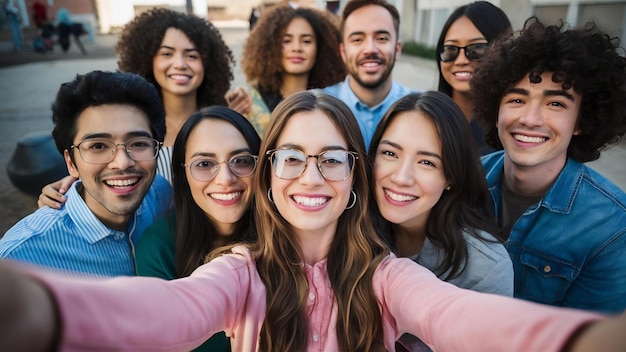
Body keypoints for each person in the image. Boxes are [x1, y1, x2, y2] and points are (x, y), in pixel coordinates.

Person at [2, 90, 625, 352]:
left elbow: (455, 315)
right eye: (293, 157)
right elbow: (170, 310)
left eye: (332, 158)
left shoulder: (389, 275)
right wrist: (47, 310)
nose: (311, 176)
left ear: (355, 176)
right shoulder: (239, 272)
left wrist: (576, 340)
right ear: (269, 174)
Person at [471, 18, 626, 313]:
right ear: (496, 109)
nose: (531, 118)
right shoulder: (463, 179)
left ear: (581, 121)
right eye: (517, 99)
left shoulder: (613, 228)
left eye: (556, 104)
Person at [38, 8, 248, 208]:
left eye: (191, 55)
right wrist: (76, 183)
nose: (180, 63)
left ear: (208, 64)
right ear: (148, 60)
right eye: (167, 54)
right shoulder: (131, 124)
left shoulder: (224, 123)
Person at [369, 91, 513, 351]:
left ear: (451, 177)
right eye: (390, 153)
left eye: (426, 162)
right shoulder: (350, 229)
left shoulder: (485, 268)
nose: (402, 177)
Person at [0, 71, 172, 278]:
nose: (122, 162)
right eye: (98, 146)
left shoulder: (160, 192)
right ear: (71, 163)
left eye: (138, 144)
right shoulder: (18, 257)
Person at [135, 106, 260, 351]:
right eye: (204, 164)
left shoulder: (288, 233)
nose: (225, 178)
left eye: (242, 161)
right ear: (183, 174)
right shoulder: (159, 247)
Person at [240, 4, 345, 136]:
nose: (296, 48)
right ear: (270, 46)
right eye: (287, 41)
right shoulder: (250, 102)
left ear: (321, 48)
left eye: (306, 41)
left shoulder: (335, 101)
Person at [323, 0, 414, 148]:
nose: (370, 49)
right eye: (357, 40)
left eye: (382, 38)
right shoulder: (320, 108)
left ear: (397, 49)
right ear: (343, 52)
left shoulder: (422, 112)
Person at [435, 1, 512, 155]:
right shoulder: (426, 118)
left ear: (504, 51)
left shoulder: (514, 131)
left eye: (477, 49)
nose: (461, 60)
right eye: (451, 49)